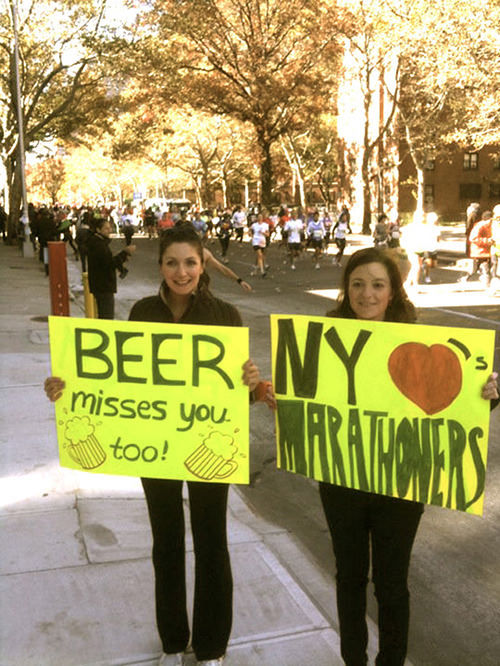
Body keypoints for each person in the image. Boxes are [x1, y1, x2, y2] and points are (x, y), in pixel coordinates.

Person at [45, 224, 263, 666]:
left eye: (190, 262)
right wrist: (65, 387)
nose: (181, 272)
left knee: (211, 543)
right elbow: (119, 383)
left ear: (203, 266)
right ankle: (172, 642)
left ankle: (211, 650)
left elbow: (235, 397)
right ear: (160, 265)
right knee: (166, 543)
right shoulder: (143, 312)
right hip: (156, 446)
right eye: (171, 262)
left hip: (208, 445)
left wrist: (252, 386)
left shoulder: (225, 316)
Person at [87, 217, 136, 319]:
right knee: (106, 316)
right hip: (103, 286)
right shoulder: (98, 244)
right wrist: (124, 253)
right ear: (98, 230)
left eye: (110, 228)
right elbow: (109, 264)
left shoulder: (99, 242)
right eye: (106, 228)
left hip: (102, 285)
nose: (109, 230)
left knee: (104, 315)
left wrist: (122, 257)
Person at [249, 212, 269, 276]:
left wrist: (263, 233)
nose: (260, 218)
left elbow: (268, 234)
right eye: (258, 217)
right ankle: (262, 271)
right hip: (256, 241)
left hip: (262, 241)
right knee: (260, 255)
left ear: (262, 218)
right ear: (257, 218)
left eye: (261, 217)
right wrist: (251, 235)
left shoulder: (265, 225)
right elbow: (250, 230)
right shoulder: (254, 225)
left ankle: (254, 271)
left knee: (258, 257)